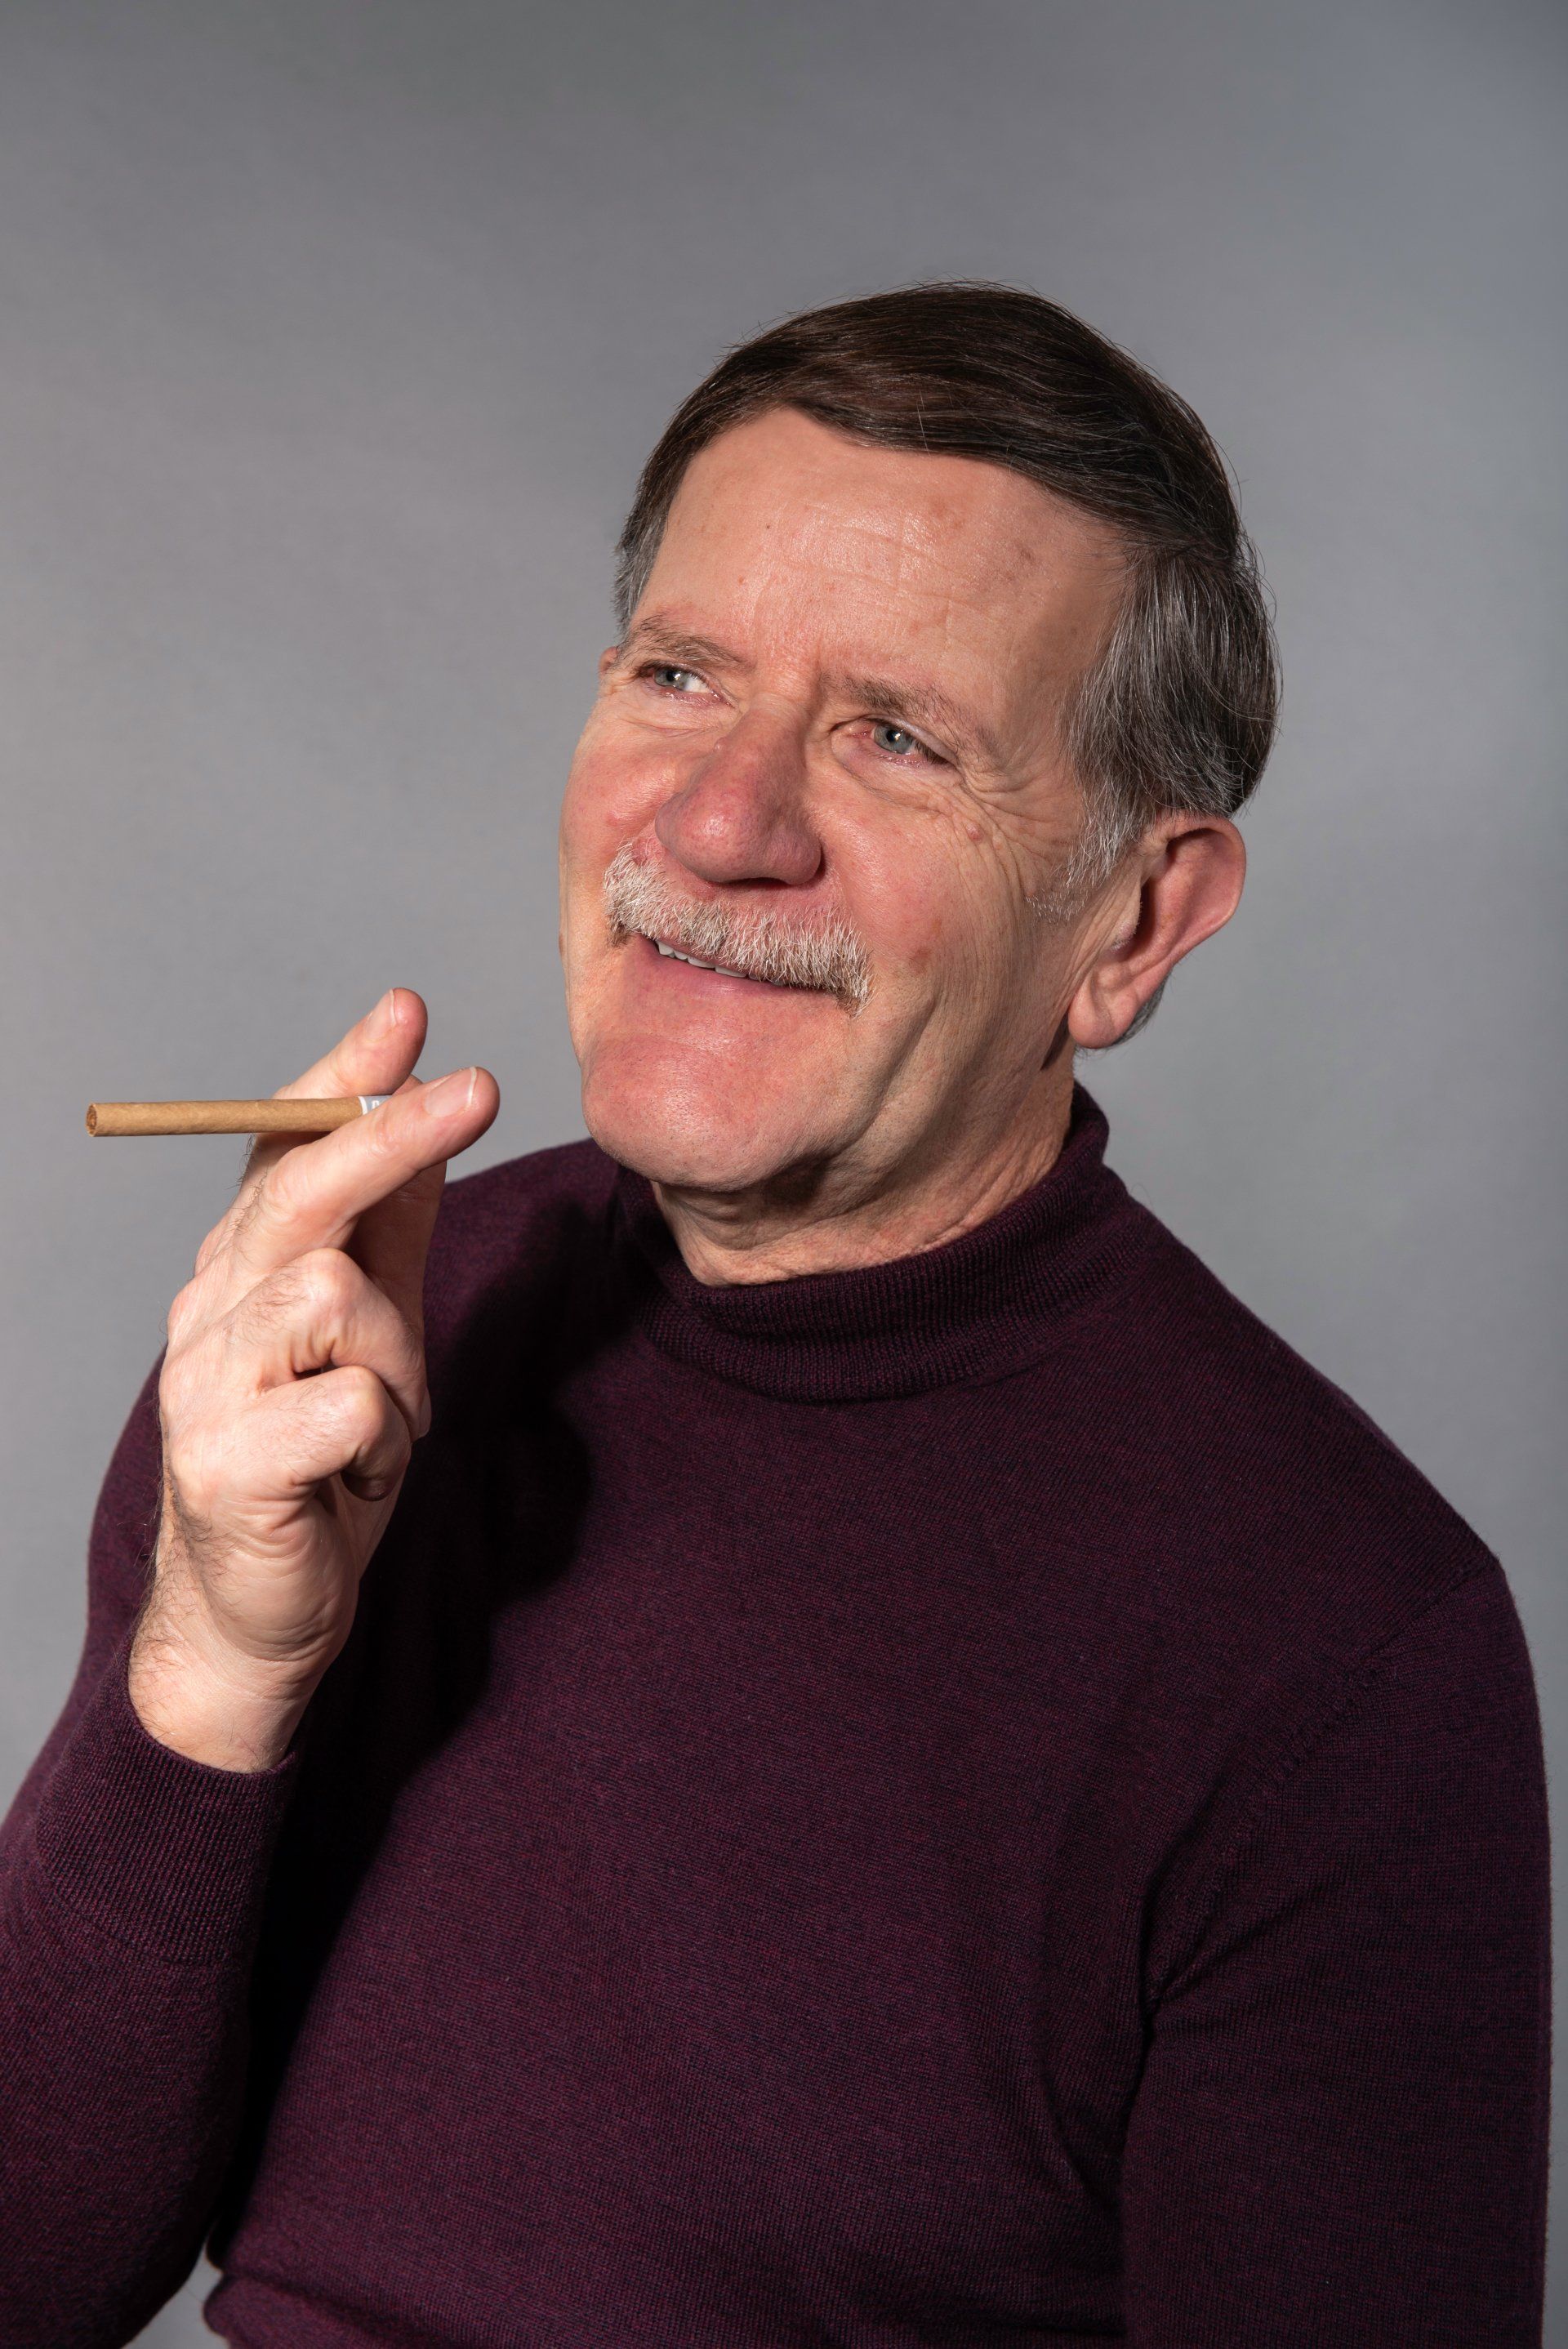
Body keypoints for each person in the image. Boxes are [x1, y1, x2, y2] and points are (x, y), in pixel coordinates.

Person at [1, 285, 1548, 2347]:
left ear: (1136, 920)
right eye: (677, 674)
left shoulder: (1346, 1651)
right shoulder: (350, 1338)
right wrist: (210, 1662)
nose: (719, 826)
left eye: (895, 735)